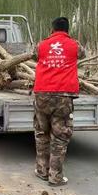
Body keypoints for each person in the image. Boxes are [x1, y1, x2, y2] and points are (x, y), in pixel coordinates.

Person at [32, 17, 86, 186]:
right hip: (63, 96)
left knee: (41, 133)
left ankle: (42, 171)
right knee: (60, 137)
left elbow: (34, 56)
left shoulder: (41, 45)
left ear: (52, 29)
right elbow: (82, 54)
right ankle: (55, 177)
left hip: (42, 94)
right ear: (67, 29)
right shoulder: (74, 45)